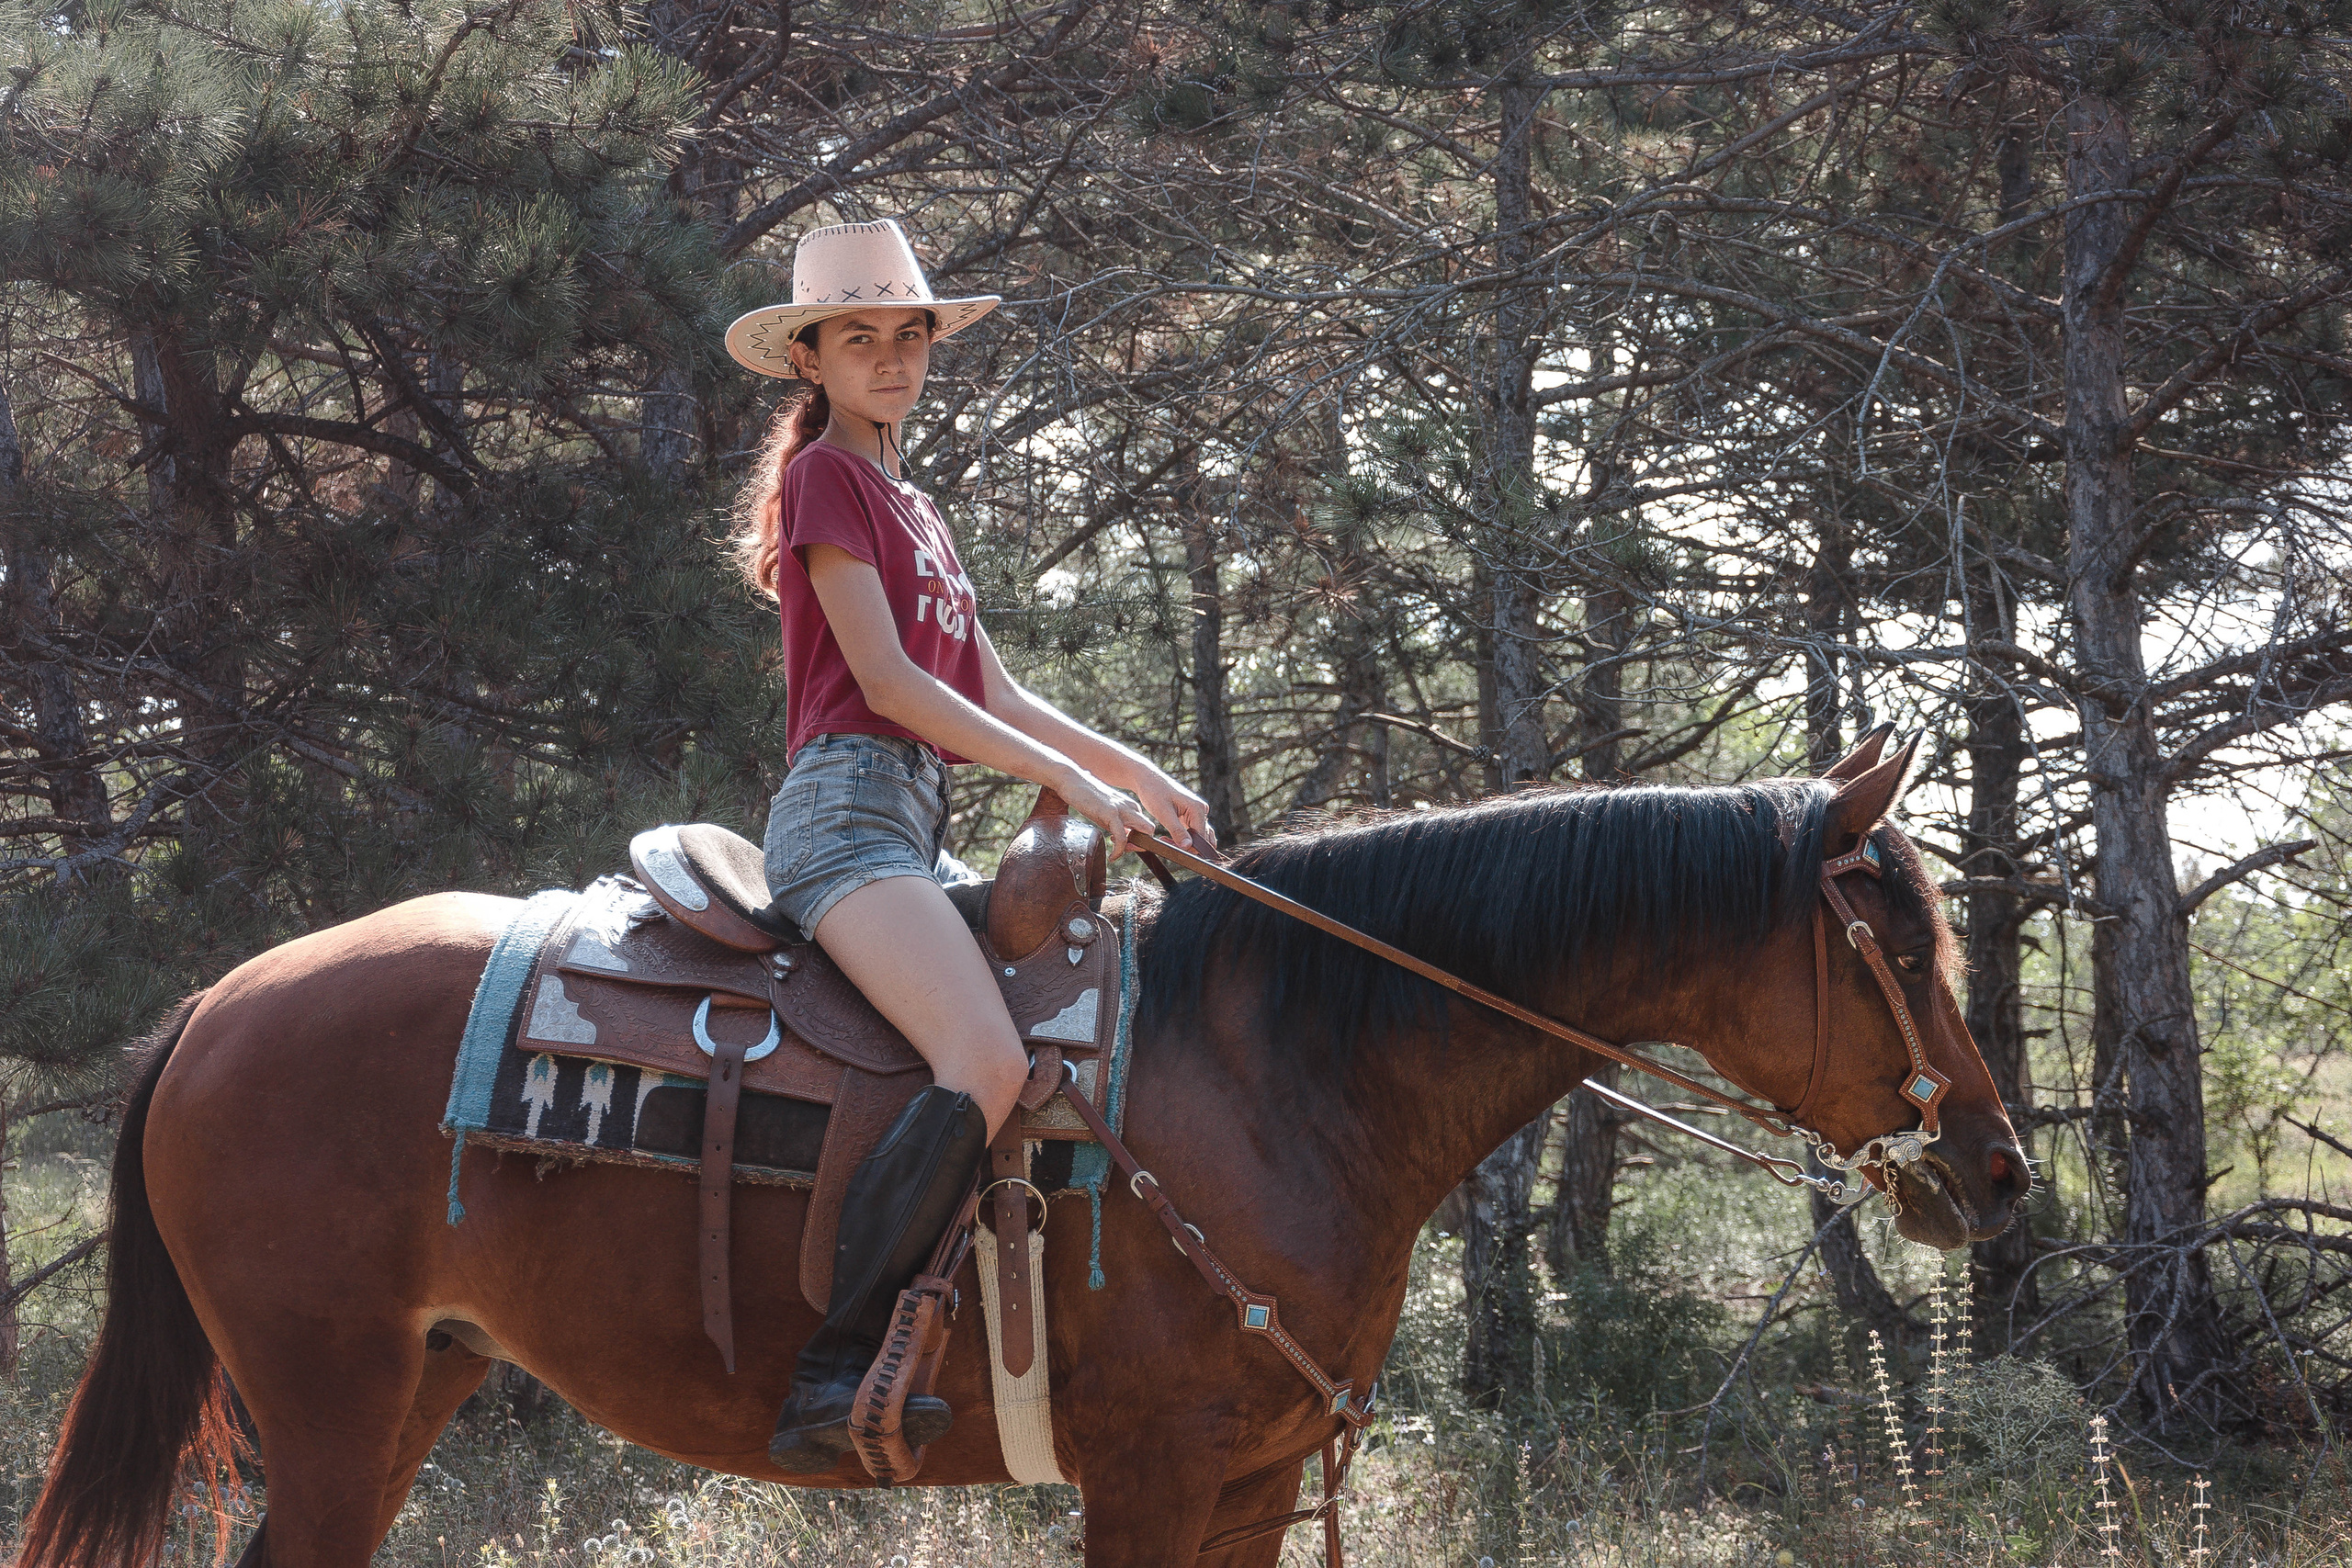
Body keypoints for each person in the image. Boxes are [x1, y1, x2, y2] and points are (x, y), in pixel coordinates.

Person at [724, 219, 1216, 1472]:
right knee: (985, 1056)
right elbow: (886, 684)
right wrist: (1064, 783)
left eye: (908, 335)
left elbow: (988, 689)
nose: (890, 359)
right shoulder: (827, 480)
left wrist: (1135, 768)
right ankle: (832, 1374)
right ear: (813, 360)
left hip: (910, 817)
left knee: (1062, 1022)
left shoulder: (916, 505)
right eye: (859, 339)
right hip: (843, 819)